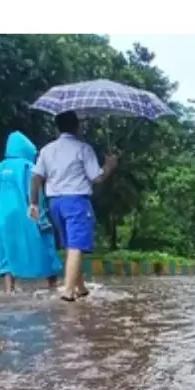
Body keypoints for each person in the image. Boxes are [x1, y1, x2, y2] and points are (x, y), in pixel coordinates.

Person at [28, 111, 118, 302]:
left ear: (57, 128)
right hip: (76, 201)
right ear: (77, 127)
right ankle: (69, 290)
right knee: (76, 245)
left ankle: (80, 287)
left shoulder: (46, 150)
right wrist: (109, 166)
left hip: (55, 204)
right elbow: (97, 177)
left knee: (70, 245)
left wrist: (33, 203)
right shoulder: (83, 149)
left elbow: (36, 177)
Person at [0, 131, 63, 293]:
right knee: (45, 246)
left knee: (5, 252)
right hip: (26, 216)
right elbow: (36, 194)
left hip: (1, 219)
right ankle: (53, 287)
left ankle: (9, 290)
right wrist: (42, 219)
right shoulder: (28, 167)